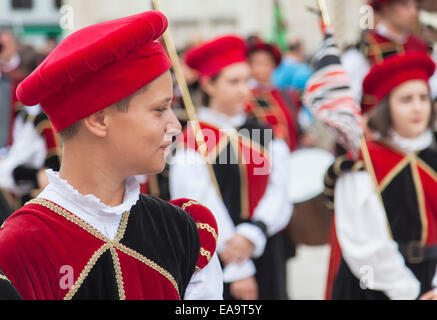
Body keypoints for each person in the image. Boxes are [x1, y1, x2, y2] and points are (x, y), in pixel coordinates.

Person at [0, 11, 222, 300]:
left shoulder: (180, 231)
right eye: (159, 109)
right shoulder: (18, 250)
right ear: (99, 120)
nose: (175, 125)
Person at [170, 35, 292, 300]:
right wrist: (239, 267)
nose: (244, 90)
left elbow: (279, 191)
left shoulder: (264, 134)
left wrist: (255, 232)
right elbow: (199, 203)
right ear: (208, 84)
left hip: (266, 249)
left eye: (246, 80)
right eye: (233, 82)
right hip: (218, 259)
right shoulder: (193, 139)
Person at [326, 52, 437, 299]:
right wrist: (410, 292)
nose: (418, 107)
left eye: (423, 97)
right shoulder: (360, 165)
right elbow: (364, 245)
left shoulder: (432, 156)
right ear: (386, 107)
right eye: (406, 100)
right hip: (379, 285)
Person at [342, 0, 433, 102]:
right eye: (404, 4)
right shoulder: (365, 49)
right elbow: (349, 99)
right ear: (386, 7)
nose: (413, 11)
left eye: (416, 6)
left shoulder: (421, 46)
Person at [246, 38, 302, 151]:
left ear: (274, 65)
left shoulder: (286, 95)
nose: (261, 68)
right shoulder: (246, 97)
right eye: (256, 63)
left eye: (266, 63)